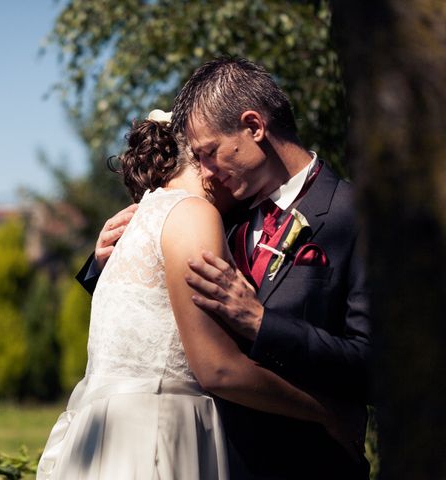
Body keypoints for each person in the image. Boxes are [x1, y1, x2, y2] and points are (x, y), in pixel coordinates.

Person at [80, 58, 371, 480]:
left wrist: (262, 322)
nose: (206, 173)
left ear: (254, 127)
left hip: (309, 465)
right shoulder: (217, 213)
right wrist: (104, 261)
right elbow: (158, 320)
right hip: (200, 459)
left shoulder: (358, 217)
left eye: (210, 153)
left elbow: (375, 366)